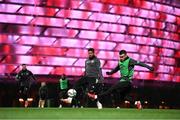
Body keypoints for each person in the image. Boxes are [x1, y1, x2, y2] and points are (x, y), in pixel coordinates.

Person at [88, 50, 154, 109]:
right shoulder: (120, 61)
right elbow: (117, 68)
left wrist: (149, 67)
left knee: (112, 88)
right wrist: (110, 73)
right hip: (123, 81)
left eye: (122, 57)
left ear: (126, 55)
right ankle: (137, 103)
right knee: (123, 97)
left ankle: (96, 96)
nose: (121, 58)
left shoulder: (130, 60)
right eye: (120, 57)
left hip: (127, 81)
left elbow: (140, 63)